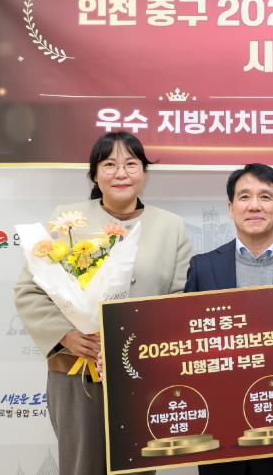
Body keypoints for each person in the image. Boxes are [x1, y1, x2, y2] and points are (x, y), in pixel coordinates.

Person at [14, 131, 191, 475]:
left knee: (138, 466)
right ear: (94, 174)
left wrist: (145, 345)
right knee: (81, 465)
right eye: (109, 164)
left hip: (141, 371)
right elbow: (29, 289)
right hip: (78, 368)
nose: (121, 173)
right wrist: (65, 335)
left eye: (131, 164)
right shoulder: (66, 220)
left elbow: (178, 298)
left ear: (144, 173)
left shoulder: (171, 227)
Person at [185, 163, 273, 475]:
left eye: (265, 197)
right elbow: (186, 341)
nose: (255, 206)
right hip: (217, 416)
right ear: (230, 208)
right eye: (244, 197)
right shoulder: (202, 267)